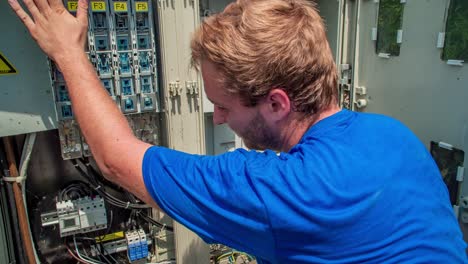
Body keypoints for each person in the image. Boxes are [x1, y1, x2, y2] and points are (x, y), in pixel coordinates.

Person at [8, 0, 467, 263]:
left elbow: (114, 157)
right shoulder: (395, 136)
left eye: (223, 106)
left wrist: (68, 54)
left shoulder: (280, 190)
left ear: (276, 103)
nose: (219, 120)